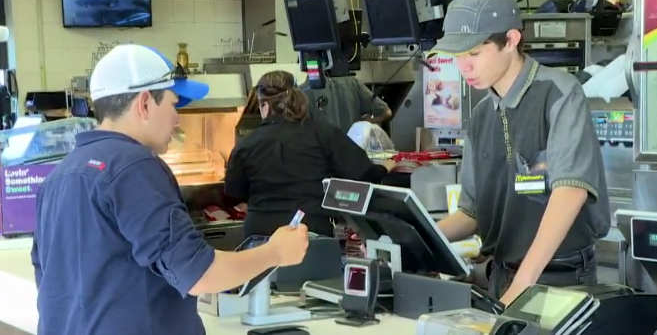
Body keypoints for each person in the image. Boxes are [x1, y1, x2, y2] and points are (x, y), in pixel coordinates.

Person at [30, 45, 310, 335]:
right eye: (174, 104)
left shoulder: (58, 176)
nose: (177, 118)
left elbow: (50, 279)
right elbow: (200, 274)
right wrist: (275, 252)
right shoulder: (134, 166)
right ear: (145, 103)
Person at [432, 0, 611, 305]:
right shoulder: (481, 114)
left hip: (559, 280)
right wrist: (415, 236)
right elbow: (470, 213)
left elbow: (570, 192)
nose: (464, 67)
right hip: (500, 278)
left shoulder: (559, 94)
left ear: (511, 40)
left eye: (474, 54)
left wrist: (523, 285)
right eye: (458, 56)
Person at [224, 70, 396, 238]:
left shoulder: (246, 145)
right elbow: (363, 176)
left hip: (259, 235)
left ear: (265, 107)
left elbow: (233, 193)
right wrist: (386, 166)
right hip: (308, 231)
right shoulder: (324, 133)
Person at [303, 75, 393, 134]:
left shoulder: (303, 91)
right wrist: (367, 122)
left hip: (322, 156)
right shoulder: (352, 83)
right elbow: (387, 112)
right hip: (352, 153)